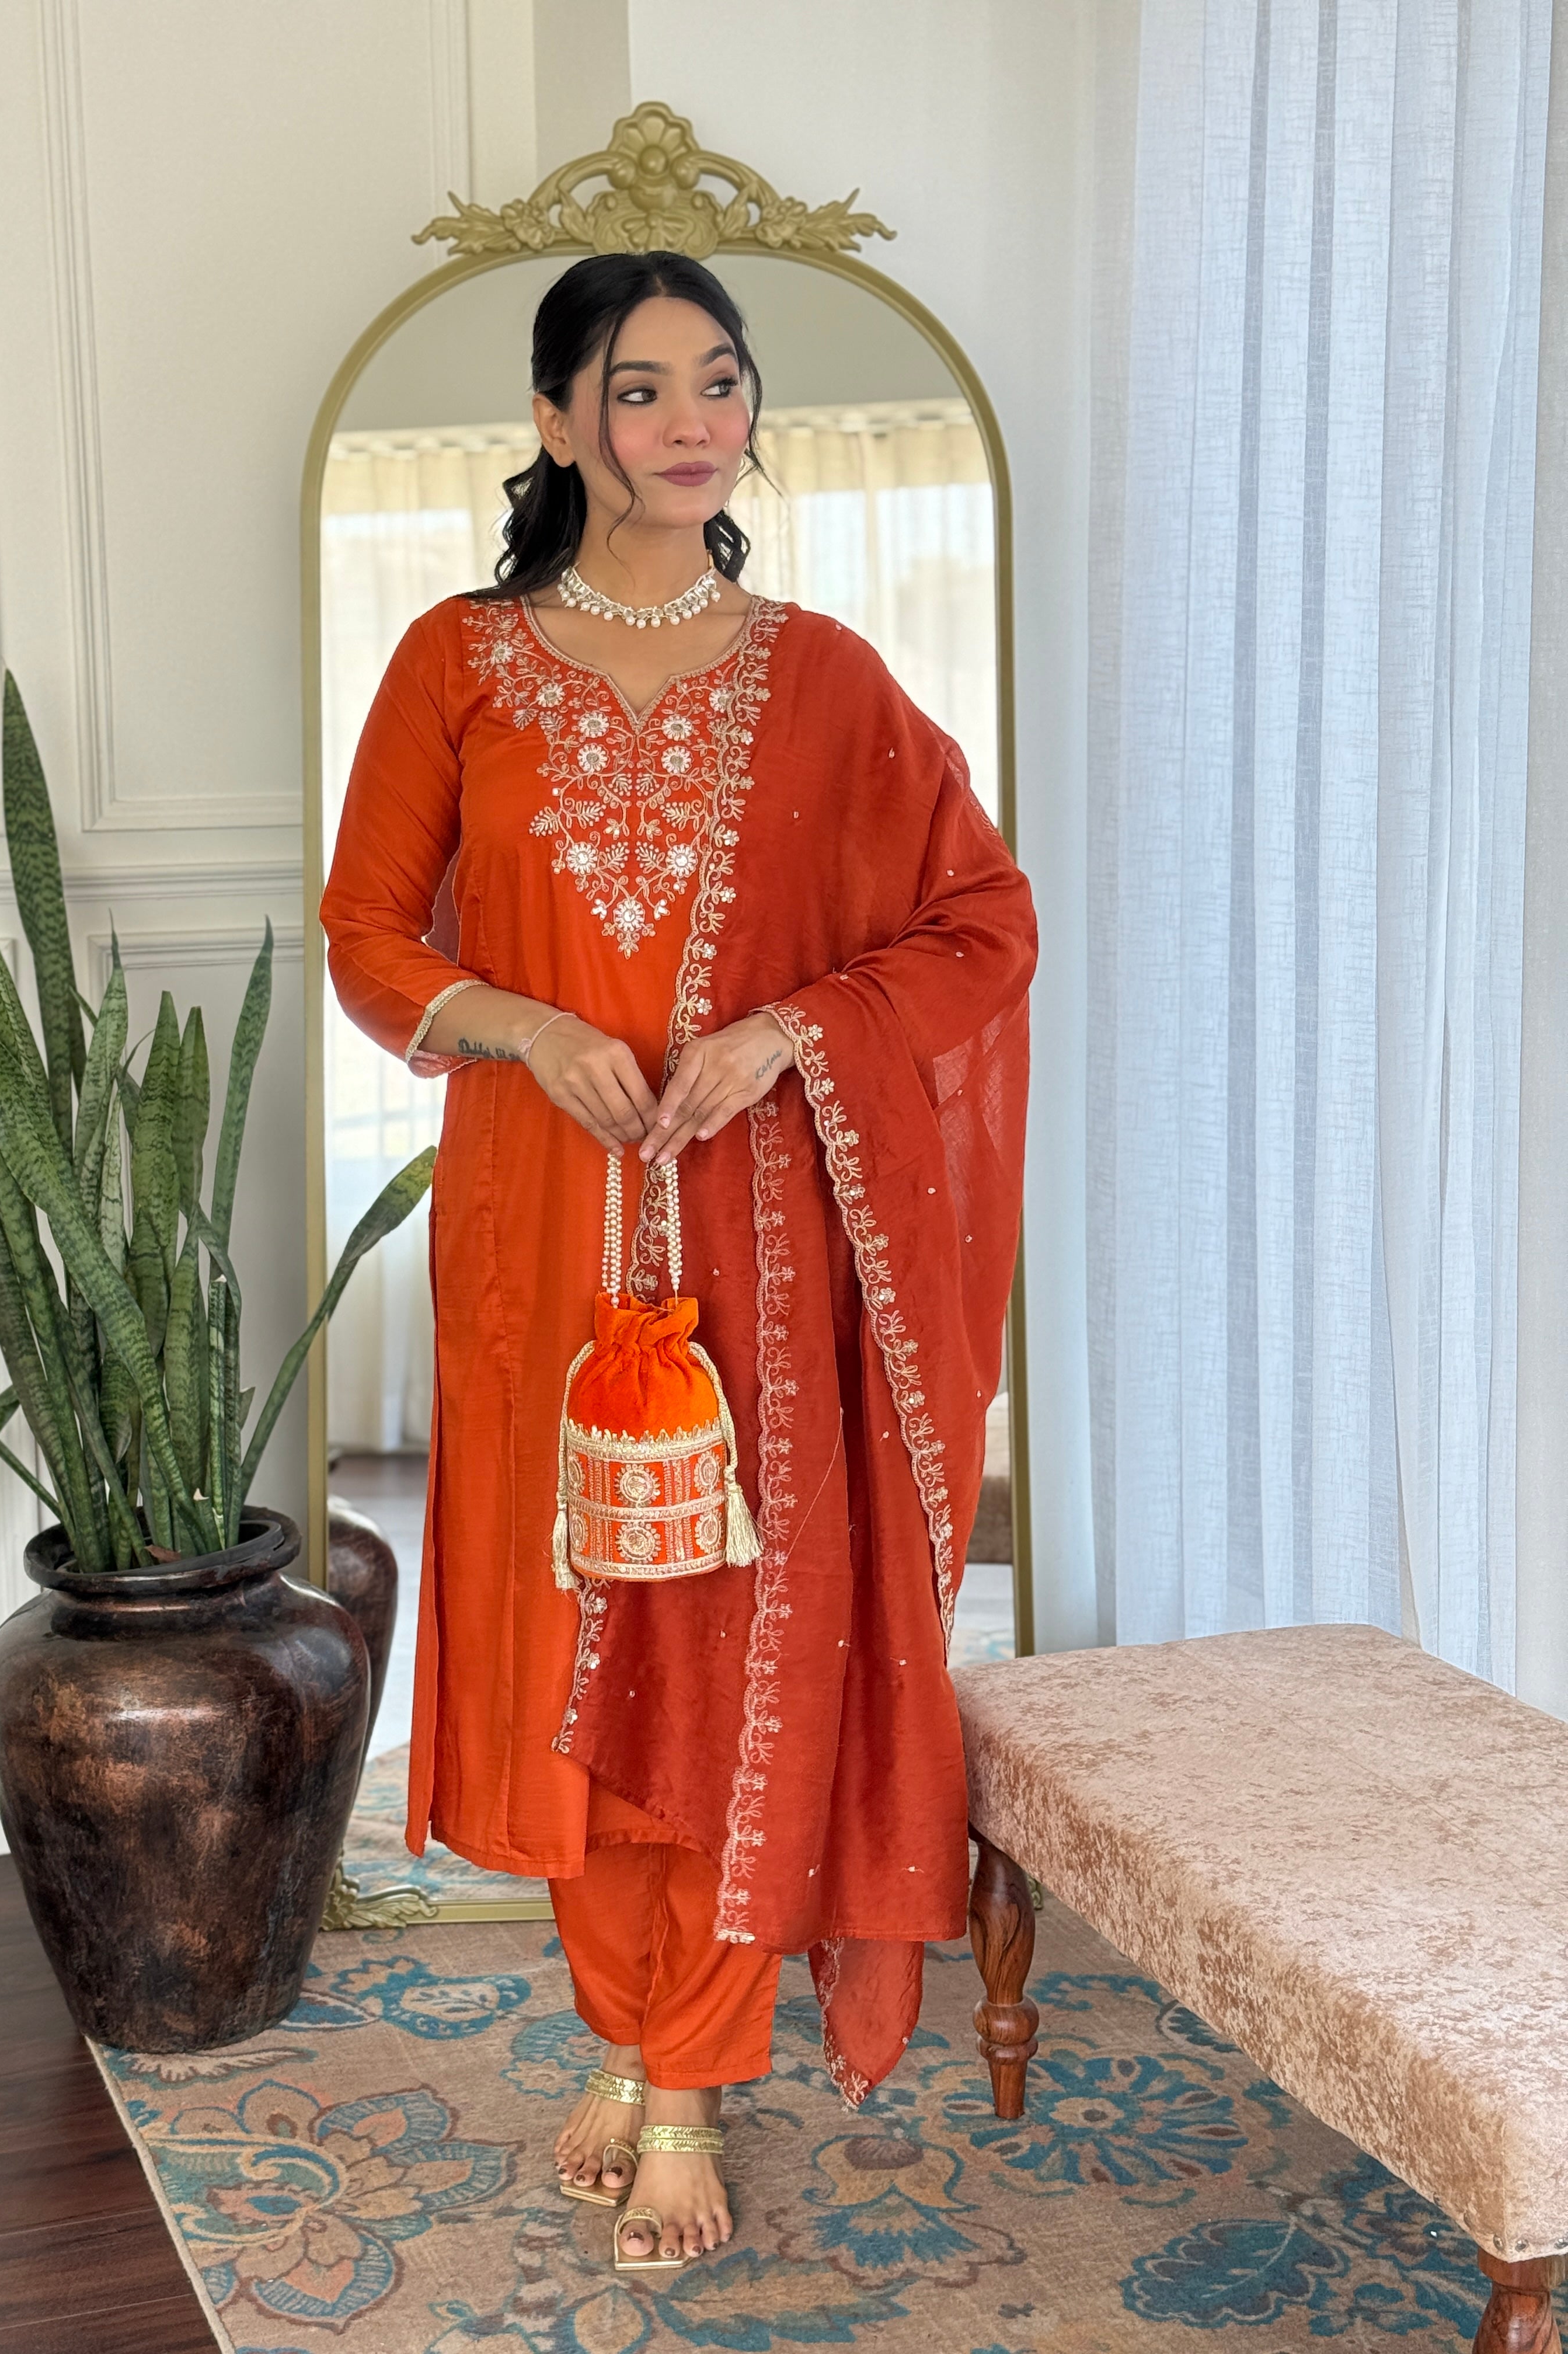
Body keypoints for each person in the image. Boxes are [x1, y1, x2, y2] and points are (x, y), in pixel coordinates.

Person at [322, 249, 1036, 2273]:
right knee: (572, 1640)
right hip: (542, 1238)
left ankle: (686, 2086)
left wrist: (795, 1031)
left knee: (719, 1643)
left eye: (721, 381)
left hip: (762, 1234)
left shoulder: (820, 676)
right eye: (642, 389)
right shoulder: (457, 662)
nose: (693, 417)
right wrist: (522, 1026)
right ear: (559, 422)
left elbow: (984, 922)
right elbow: (372, 936)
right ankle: (635, 2040)